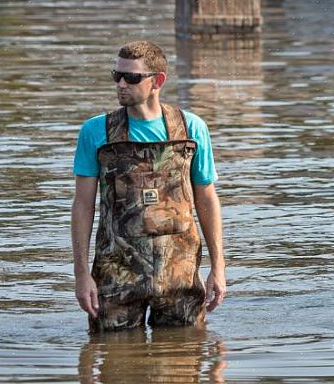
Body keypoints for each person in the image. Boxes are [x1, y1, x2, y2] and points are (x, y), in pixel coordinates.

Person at [71, 40, 226, 332]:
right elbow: (82, 204)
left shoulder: (191, 129)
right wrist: (81, 273)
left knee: (184, 358)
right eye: (116, 75)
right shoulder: (95, 131)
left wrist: (218, 267)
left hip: (179, 274)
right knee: (114, 362)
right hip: (116, 273)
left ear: (158, 81)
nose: (120, 84)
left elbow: (206, 199)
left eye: (131, 78)